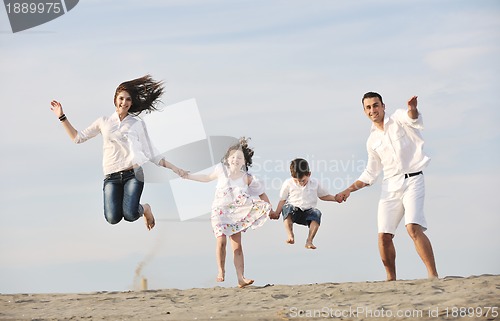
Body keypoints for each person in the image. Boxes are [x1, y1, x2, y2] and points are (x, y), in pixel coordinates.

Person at [50, 75, 187, 231]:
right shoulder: (104, 122)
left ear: (131, 102)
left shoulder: (136, 124)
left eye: (128, 99)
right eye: (121, 98)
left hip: (133, 174)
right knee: (112, 218)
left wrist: (175, 168)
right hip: (111, 176)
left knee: (130, 214)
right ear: (115, 99)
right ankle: (140, 208)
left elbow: (151, 152)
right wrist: (62, 116)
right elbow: (77, 138)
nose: (124, 102)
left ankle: (145, 209)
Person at [337, 92, 438, 281]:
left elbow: (414, 119)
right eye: (368, 107)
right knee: (383, 236)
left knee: (412, 228)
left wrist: (413, 109)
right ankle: (391, 280)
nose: (372, 110)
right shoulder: (372, 141)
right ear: (364, 111)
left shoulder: (399, 118)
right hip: (390, 186)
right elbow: (370, 173)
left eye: (375, 105)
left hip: (413, 180)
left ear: (383, 106)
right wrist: (348, 189)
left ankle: (433, 276)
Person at [184, 137, 271, 288]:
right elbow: (206, 178)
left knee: (237, 246)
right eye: (233, 157)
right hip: (219, 211)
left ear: (244, 161)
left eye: (239, 157)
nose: (235, 160)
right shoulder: (220, 170)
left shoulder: (247, 178)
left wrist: (271, 210)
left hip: (237, 214)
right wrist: (189, 176)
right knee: (221, 241)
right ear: (227, 159)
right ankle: (221, 271)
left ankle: (241, 277)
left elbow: (261, 193)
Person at [269, 158, 342, 249]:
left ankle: (309, 241)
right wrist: (277, 213)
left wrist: (335, 199)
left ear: (309, 174)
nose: (300, 183)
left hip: (308, 213)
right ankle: (290, 235)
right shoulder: (288, 183)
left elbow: (323, 196)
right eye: (296, 180)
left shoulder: (314, 183)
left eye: (303, 180)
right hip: (293, 211)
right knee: (287, 207)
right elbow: (282, 200)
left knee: (317, 213)